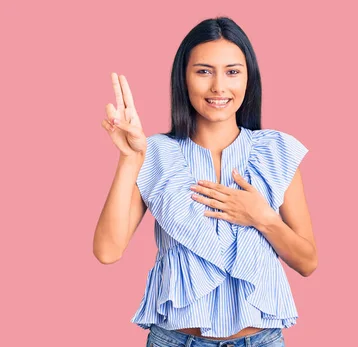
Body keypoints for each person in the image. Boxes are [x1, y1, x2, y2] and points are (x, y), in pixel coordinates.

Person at [93, 17, 317, 347]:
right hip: (175, 340)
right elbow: (107, 251)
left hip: (260, 341)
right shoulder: (154, 153)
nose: (218, 87)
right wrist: (129, 158)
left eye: (232, 71)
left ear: (248, 78)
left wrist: (263, 218)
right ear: (183, 79)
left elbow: (308, 262)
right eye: (203, 71)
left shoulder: (276, 151)